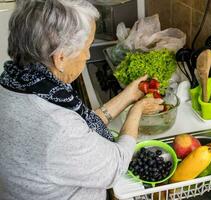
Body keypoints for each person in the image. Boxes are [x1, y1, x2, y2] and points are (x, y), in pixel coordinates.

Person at [0, 1, 164, 199]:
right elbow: (116, 165)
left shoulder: (20, 83)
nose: (87, 56)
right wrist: (137, 110)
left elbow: (82, 128)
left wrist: (129, 96)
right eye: (87, 46)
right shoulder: (58, 127)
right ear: (59, 58)